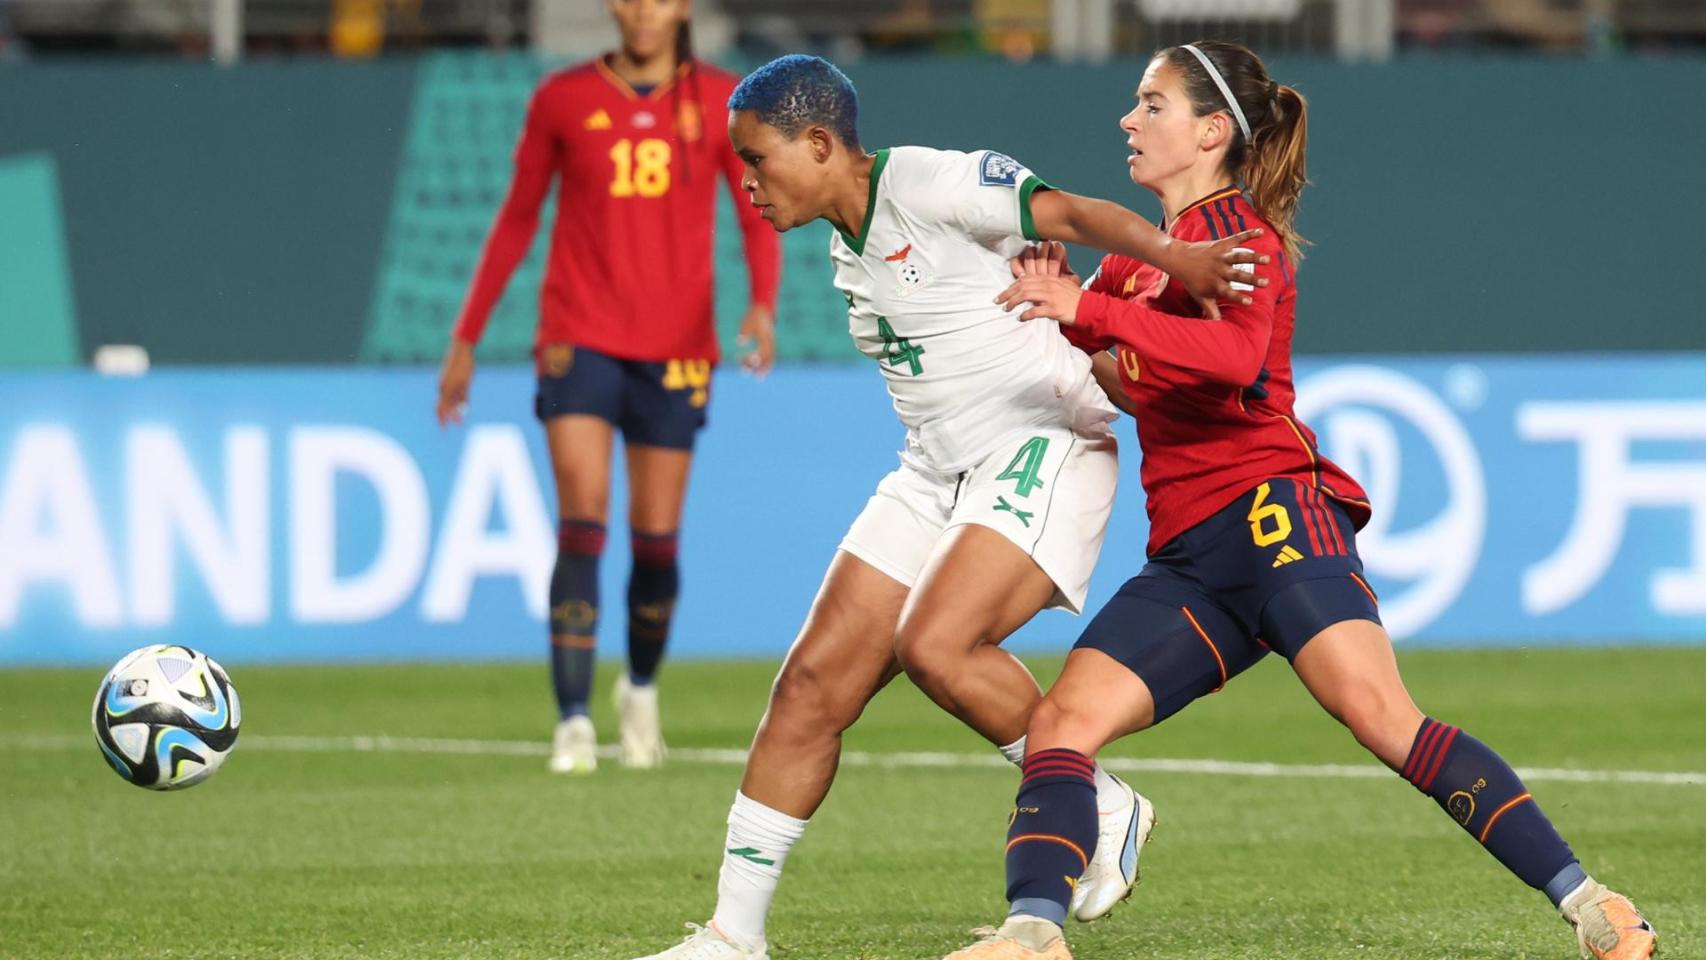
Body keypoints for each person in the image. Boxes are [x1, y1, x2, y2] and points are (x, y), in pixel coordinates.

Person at [947, 40, 1656, 960]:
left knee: (1383, 720)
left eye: (1152, 104)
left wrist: (1088, 316)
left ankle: (1591, 903)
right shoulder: (1131, 265)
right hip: (1191, 556)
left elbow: (1234, 358)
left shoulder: (1241, 239)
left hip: (1276, 517)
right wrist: (1059, 310)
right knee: (1059, 724)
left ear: (1211, 131)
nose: (1129, 120)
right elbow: (1121, 374)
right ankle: (1033, 932)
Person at [633, 53, 1269, 960]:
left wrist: (1178, 258)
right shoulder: (845, 242)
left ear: (819, 144)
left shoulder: (930, 182)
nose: (748, 182)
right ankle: (733, 937)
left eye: (758, 159)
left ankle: (1096, 800)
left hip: (1040, 440)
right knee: (809, 687)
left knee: (936, 644)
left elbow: (1072, 214)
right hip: (935, 470)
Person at [435, 0, 782, 774]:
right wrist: (465, 338)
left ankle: (641, 689)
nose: (642, 10)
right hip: (578, 336)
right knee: (582, 521)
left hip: (678, 346)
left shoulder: (721, 100)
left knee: (655, 541)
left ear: (681, 6)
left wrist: (763, 302)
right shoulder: (563, 98)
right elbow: (518, 218)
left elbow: (756, 209)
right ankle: (572, 720)